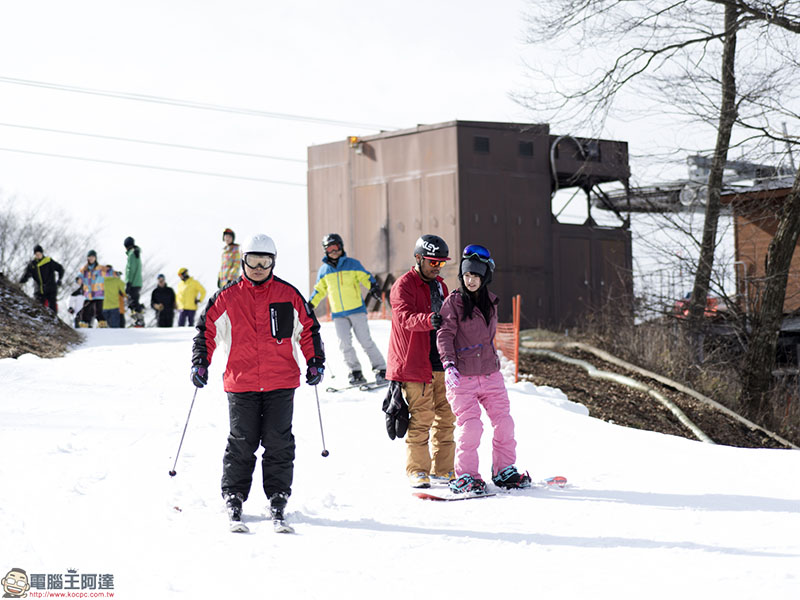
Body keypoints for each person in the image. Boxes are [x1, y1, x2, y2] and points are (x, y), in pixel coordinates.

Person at [190, 233, 325, 529]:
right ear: (243, 261)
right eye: (253, 261)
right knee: (242, 442)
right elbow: (206, 331)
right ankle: (234, 494)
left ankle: (277, 494)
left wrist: (315, 361)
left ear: (273, 263)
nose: (259, 267)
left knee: (279, 442)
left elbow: (309, 330)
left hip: (280, 382)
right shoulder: (227, 296)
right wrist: (201, 362)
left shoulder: (288, 295)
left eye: (265, 261)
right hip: (242, 383)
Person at [437, 244, 532, 494]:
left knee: (505, 424)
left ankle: (504, 470)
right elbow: (445, 334)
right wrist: (448, 363)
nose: (470, 280)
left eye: (476, 276)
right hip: (462, 377)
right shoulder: (453, 303)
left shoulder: (491, 303)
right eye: (467, 275)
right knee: (471, 427)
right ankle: (466, 476)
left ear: (485, 277)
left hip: (490, 374)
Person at [383, 234, 456, 488]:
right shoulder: (403, 285)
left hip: (440, 363)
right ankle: (418, 470)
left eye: (441, 264)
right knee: (422, 419)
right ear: (418, 258)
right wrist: (427, 320)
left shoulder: (441, 286)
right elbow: (403, 316)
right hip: (415, 364)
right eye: (432, 262)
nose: (436, 268)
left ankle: (445, 469)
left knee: (446, 418)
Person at [308, 233, 386, 385]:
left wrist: (374, 288)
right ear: (325, 251)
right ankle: (355, 372)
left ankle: (381, 369)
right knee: (344, 344)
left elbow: (366, 277)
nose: (333, 251)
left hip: (356, 310)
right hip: (338, 314)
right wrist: (310, 305)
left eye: (335, 247)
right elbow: (319, 291)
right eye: (329, 249)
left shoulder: (353, 264)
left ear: (341, 247)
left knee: (365, 341)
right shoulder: (324, 271)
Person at [19, 244, 64, 312]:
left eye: (39, 253)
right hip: (38, 290)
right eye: (36, 254)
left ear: (42, 253)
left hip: (50, 288)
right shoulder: (32, 265)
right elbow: (26, 275)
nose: (38, 255)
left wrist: (59, 279)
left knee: (52, 308)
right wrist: (20, 283)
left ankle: (53, 320)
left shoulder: (48, 261)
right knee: (38, 309)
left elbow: (60, 269)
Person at [79, 250, 110, 327]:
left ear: (95, 258)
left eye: (92, 257)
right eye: (89, 257)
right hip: (88, 293)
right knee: (85, 309)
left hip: (98, 293)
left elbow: (109, 271)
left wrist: (117, 273)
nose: (91, 258)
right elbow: (79, 275)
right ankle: (84, 323)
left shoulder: (100, 268)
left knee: (98, 311)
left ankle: (102, 323)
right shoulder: (84, 269)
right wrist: (78, 279)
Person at [124, 236, 145, 327]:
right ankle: (138, 317)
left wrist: (128, 282)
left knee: (132, 301)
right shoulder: (137, 253)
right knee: (134, 300)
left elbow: (130, 269)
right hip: (138, 281)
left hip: (133, 282)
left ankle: (138, 319)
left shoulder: (132, 254)